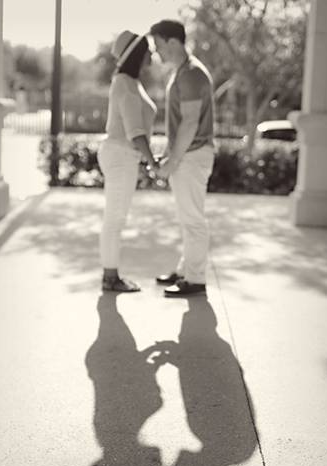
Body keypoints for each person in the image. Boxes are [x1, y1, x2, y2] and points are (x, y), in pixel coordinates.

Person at [149, 20, 215, 297]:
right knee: (188, 217)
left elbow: (189, 123)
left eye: (159, 45)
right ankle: (186, 270)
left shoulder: (190, 74)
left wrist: (172, 163)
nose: (156, 52)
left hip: (192, 156)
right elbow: (181, 126)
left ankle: (195, 280)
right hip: (188, 155)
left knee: (193, 219)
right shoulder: (183, 72)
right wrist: (168, 156)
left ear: (173, 42)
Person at [98, 30, 158, 292]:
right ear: (137, 54)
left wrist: (144, 161)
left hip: (124, 155)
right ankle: (110, 278)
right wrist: (153, 163)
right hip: (121, 155)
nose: (153, 55)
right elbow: (136, 133)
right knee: (114, 220)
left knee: (115, 218)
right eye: (149, 51)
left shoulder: (131, 82)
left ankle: (111, 276)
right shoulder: (124, 83)